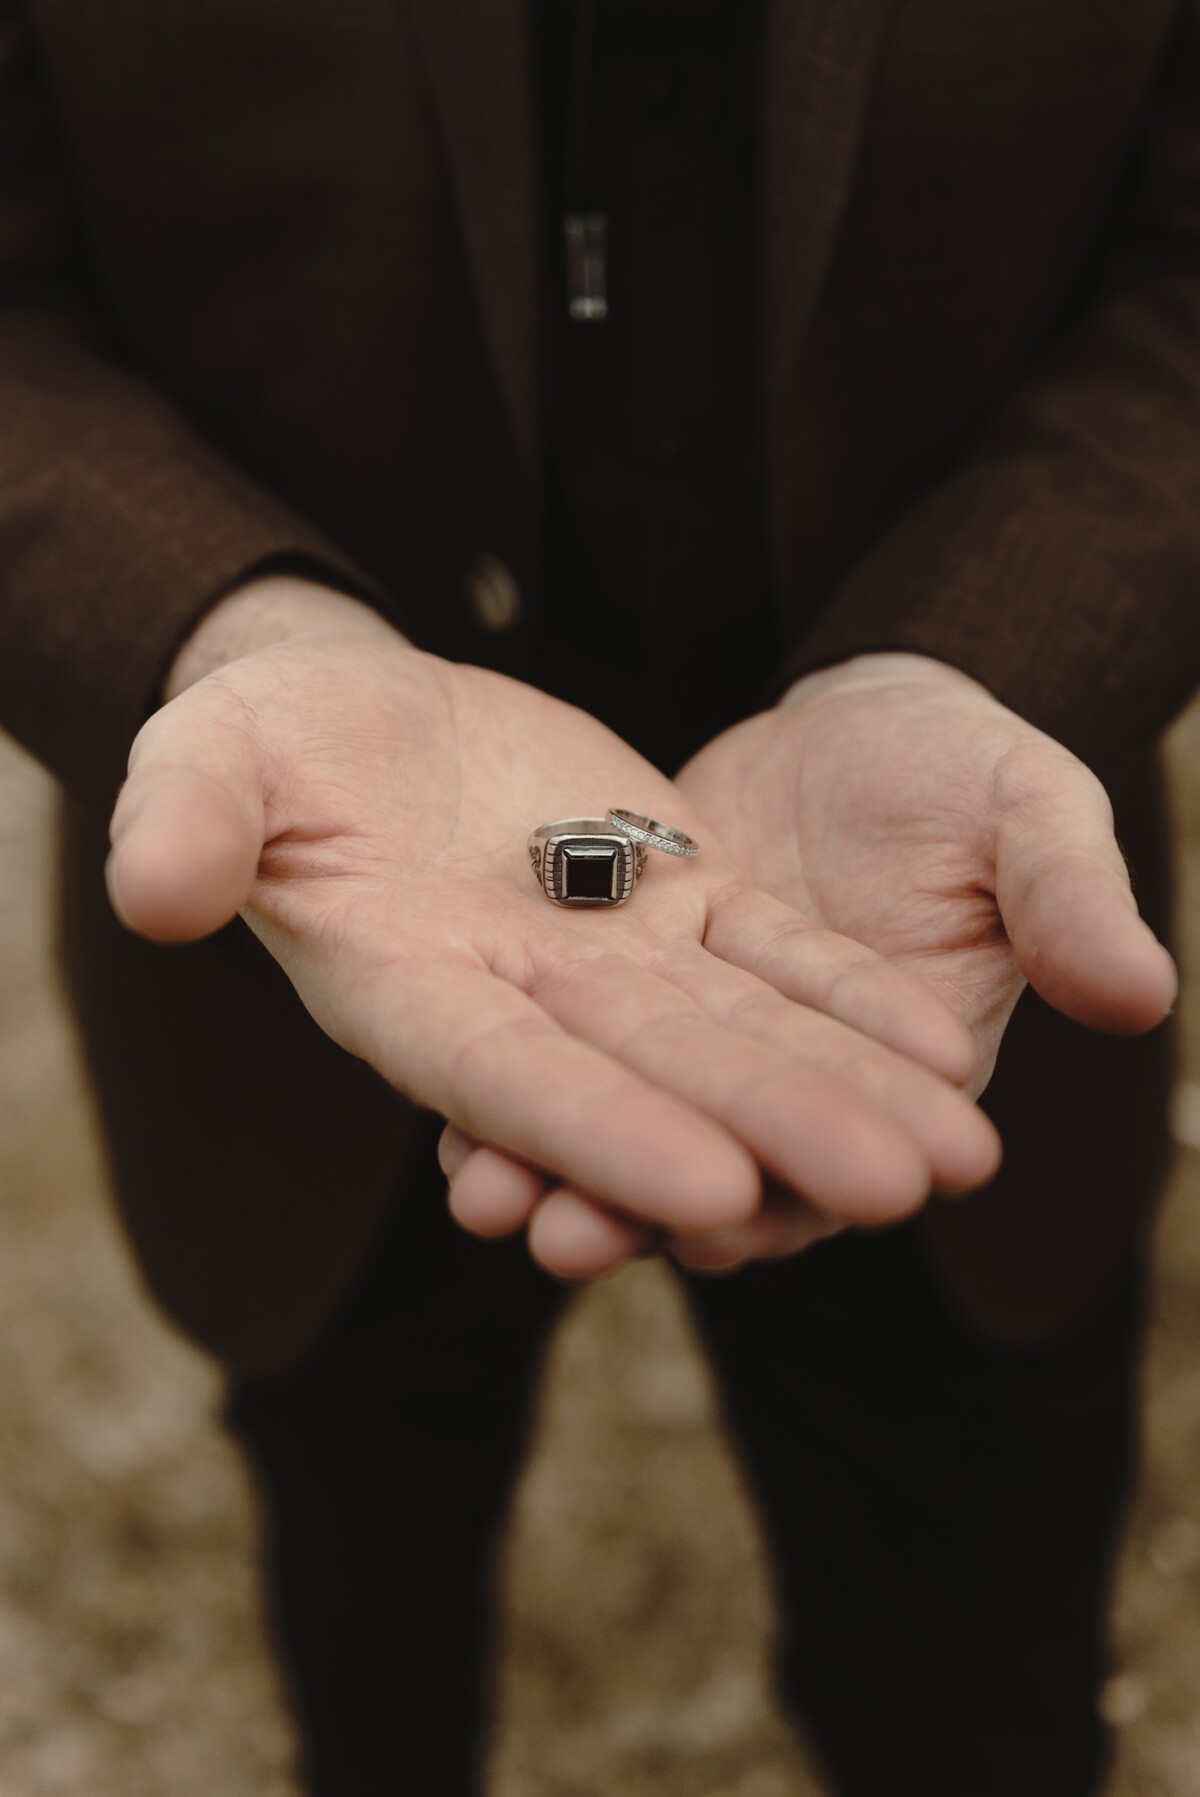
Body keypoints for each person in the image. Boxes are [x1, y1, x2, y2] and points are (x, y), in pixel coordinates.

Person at [1, 0, 1195, 1791]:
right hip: (311, 952)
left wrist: (975, 649)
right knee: (369, 1612)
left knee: (977, 1691)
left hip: (931, 929)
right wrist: (229, 625)